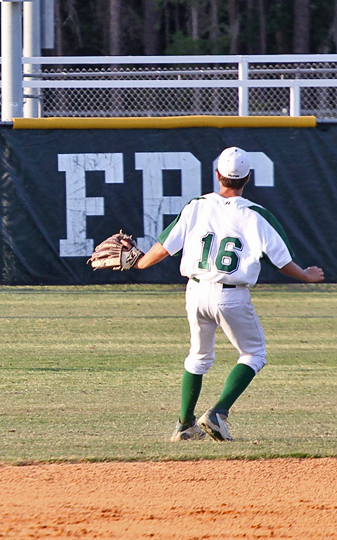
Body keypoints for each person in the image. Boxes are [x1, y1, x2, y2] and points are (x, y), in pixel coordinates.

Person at [129, 146, 324, 441]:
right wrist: (307, 275)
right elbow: (282, 262)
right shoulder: (256, 214)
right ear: (248, 178)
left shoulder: (196, 206)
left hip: (195, 291)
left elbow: (166, 246)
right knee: (254, 353)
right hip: (231, 295)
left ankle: (185, 425)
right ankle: (218, 413)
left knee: (198, 356)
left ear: (218, 175)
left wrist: (140, 262)